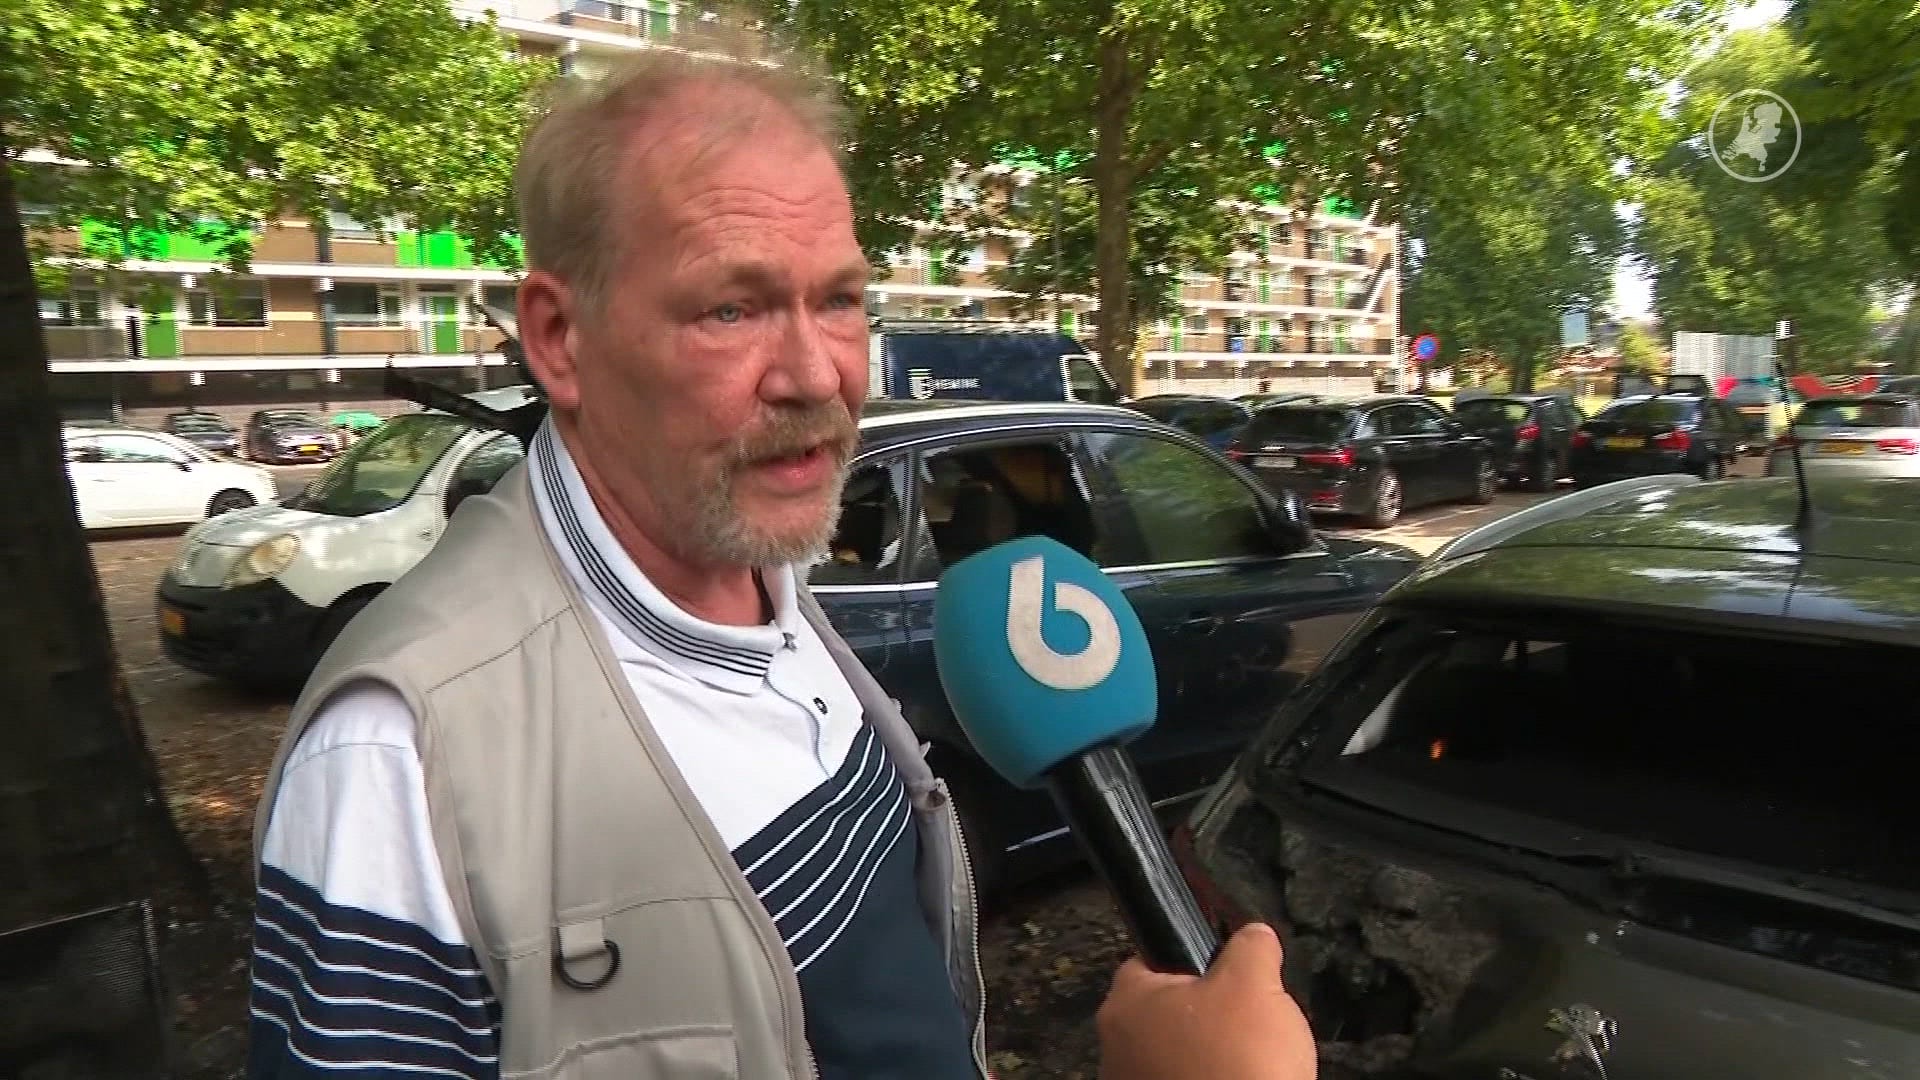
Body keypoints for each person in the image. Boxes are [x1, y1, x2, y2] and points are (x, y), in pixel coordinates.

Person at [245, 29, 1315, 1080]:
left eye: (839, 300)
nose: (816, 376)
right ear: (560, 339)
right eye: (732, 308)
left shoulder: (778, 587)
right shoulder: (399, 760)